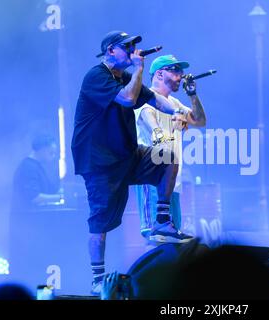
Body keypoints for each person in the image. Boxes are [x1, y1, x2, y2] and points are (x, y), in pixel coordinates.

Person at [71, 31, 192, 295]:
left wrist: (181, 111)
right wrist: (138, 68)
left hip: (127, 155)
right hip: (100, 162)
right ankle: (97, 277)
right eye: (127, 47)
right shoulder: (96, 76)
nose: (133, 50)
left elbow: (153, 99)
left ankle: (162, 217)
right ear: (110, 50)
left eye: (134, 46)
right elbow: (127, 98)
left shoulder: (126, 77)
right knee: (100, 223)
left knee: (168, 156)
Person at [135, 54, 207, 241]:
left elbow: (200, 120)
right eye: (175, 71)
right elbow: (151, 126)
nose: (181, 76)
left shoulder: (174, 104)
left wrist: (192, 95)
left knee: (173, 237)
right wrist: (160, 133)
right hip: (152, 177)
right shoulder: (145, 99)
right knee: (156, 235)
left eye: (181, 71)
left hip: (171, 181)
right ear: (159, 74)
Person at [11, 134, 62, 211]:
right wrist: (61, 197)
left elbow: (51, 190)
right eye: (51, 153)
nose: (54, 156)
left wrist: (68, 191)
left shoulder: (36, 166)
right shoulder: (28, 167)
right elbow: (34, 197)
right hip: (27, 219)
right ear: (42, 149)